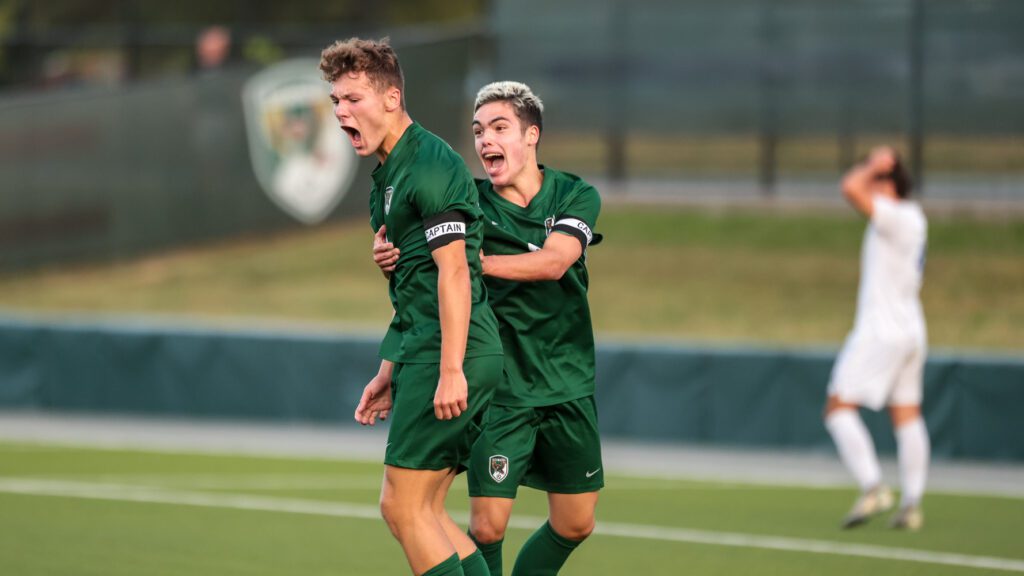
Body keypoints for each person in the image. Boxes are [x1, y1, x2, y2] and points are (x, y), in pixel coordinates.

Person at [375, 81, 604, 575]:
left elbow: (555, 262)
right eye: (478, 131)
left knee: (576, 522)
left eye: (499, 128)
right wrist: (390, 256)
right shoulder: (469, 202)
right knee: (486, 526)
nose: (484, 141)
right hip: (501, 388)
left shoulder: (575, 193)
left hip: (567, 381)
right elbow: (427, 276)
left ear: (532, 135)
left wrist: (475, 263)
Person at [321, 37, 503, 576]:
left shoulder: (428, 164)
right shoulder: (387, 178)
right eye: (335, 101)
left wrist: (450, 370)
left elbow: (453, 272)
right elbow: (416, 286)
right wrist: (388, 368)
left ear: (392, 98)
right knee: (422, 509)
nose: (340, 111)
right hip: (429, 351)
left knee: (401, 506)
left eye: (353, 98)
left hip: (451, 354)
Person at [824, 146, 929, 531]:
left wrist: (873, 166)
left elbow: (850, 188)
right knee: (906, 415)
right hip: (911, 328)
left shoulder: (896, 217)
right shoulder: (913, 218)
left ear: (889, 184)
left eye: (880, 180)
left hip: (882, 330)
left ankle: (873, 486)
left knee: (837, 407)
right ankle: (912, 503)